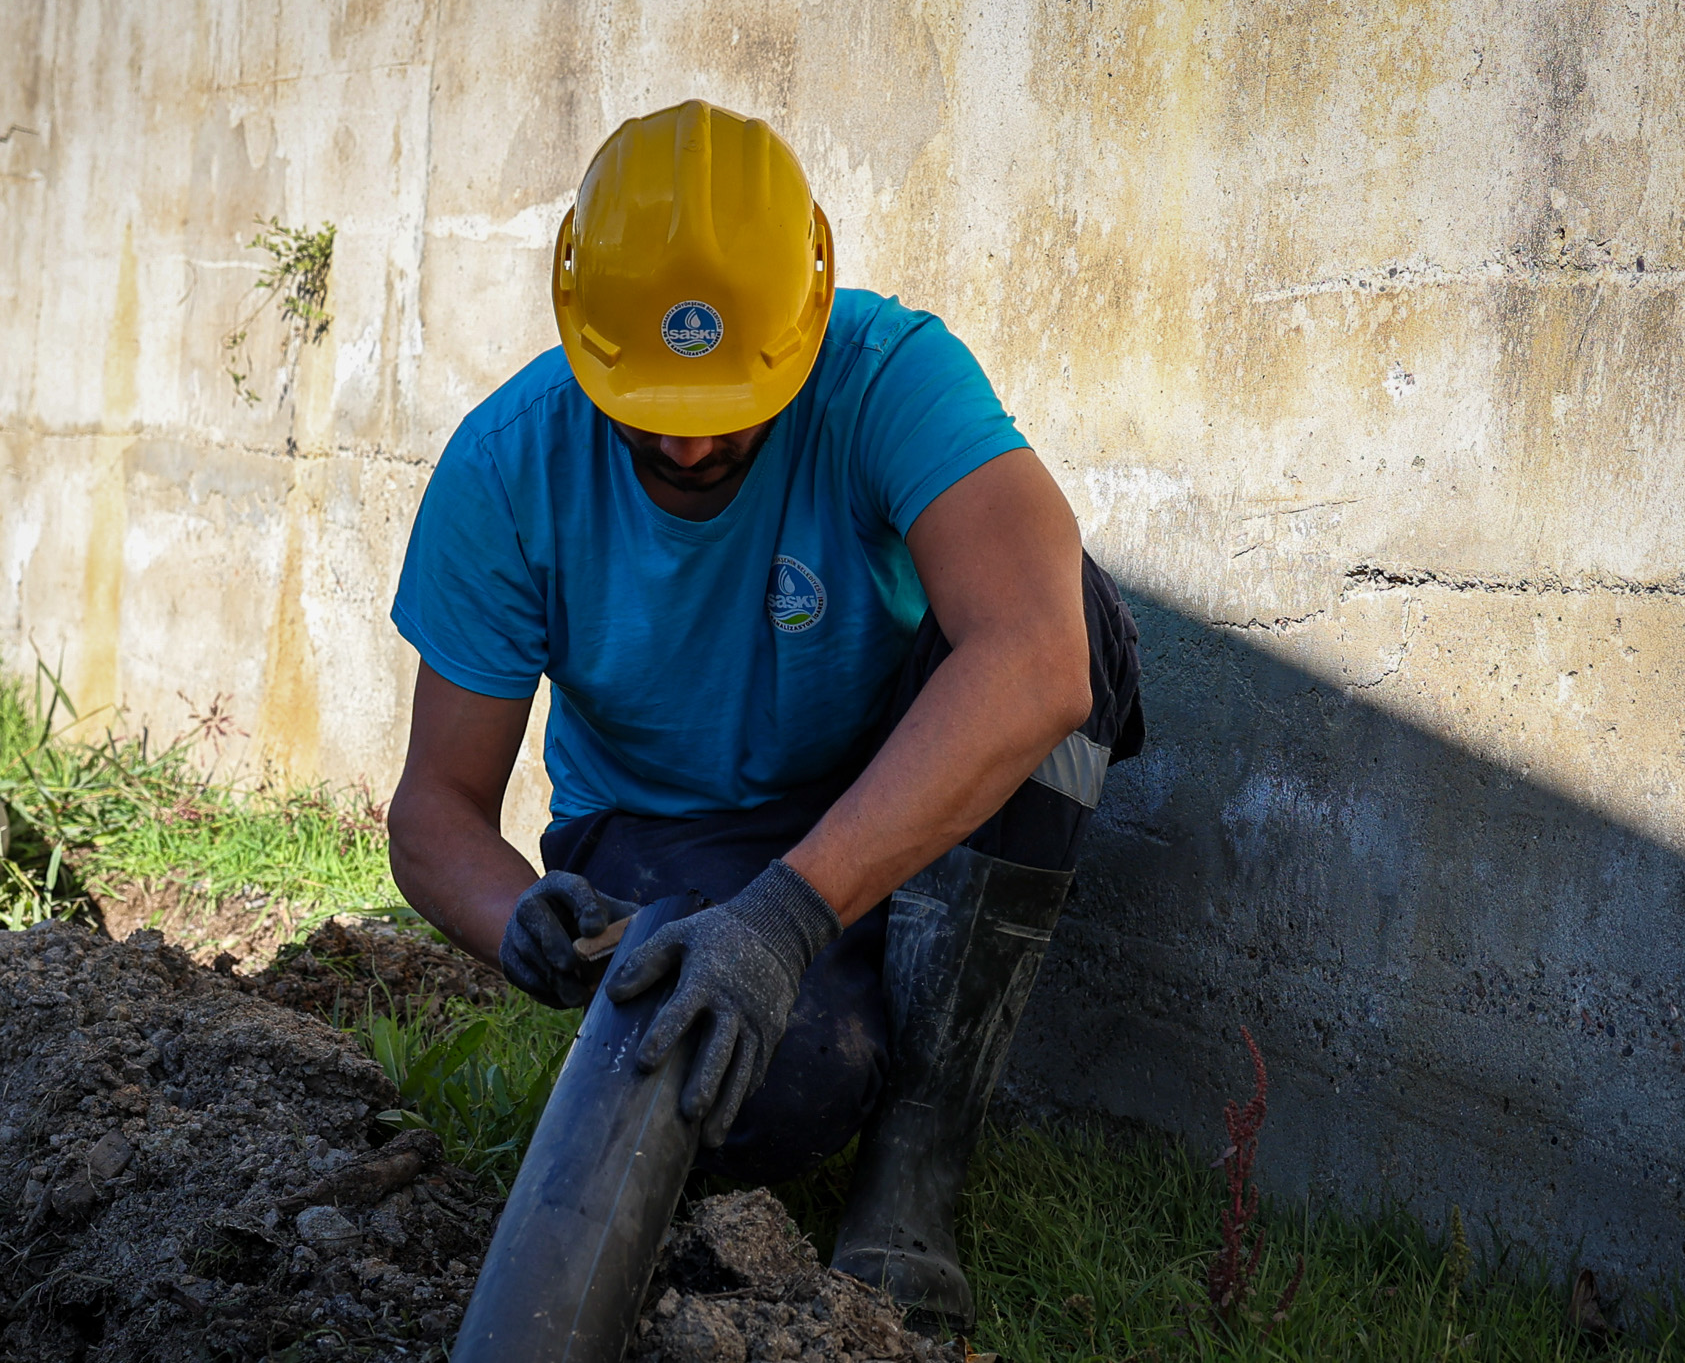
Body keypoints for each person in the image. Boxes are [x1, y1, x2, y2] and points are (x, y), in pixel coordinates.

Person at [386, 99, 1143, 1329]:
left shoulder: (886, 373)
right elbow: (434, 810)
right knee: (779, 1087)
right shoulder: (506, 465)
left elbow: (1043, 662)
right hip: (664, 834)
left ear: (804, 322)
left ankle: (917, 1159)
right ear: (581, 333)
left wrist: (785, 919)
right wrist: (515, 913)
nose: (691, 447)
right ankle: (837, 1046)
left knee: (1075, 618)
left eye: (732, 401)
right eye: (653, 407)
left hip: (893, 791)